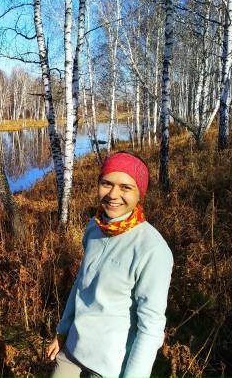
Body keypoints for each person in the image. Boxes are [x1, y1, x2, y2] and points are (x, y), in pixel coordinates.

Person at [47, 151, 173, 378]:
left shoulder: (152, 249)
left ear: (140, 192)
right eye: (107, 184)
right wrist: (62, 331)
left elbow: (151, 327)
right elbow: (81, 284)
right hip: (72, 350)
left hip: (109, 367)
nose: (113, 195)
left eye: (126, 187)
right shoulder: (94, 227)